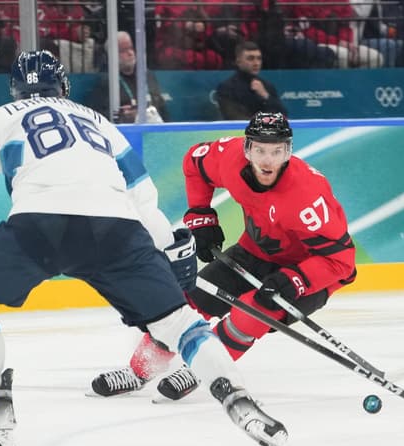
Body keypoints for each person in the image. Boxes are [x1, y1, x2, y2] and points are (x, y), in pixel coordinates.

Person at [0, 50, 290, 446]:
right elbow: (143, 197)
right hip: (118, 229)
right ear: (63, 87)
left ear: (16, 90)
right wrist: (167, 246)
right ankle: (238, 397)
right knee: (180, 321)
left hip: (41, 224)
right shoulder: (100, 122)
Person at [90, 112, 356, 402]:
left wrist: (293, 281)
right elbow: (194, 162)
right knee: (186, 303)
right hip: (254, 252)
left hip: (308, 272)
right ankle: (139, 370)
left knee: (249, 311)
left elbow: (342, 262)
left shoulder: (307, 194)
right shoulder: (230, 159)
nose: (268, 161)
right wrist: (201, 215)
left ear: (288, 152)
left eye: (277, 151)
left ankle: (203, 369)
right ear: (247, 149)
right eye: (260, 150)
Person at [87, 31, 169, 123]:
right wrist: (121, 116)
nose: (130, 53)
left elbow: (162, 108)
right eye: (123, 50)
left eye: (131, 48)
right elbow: (96, 115)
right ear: (112, 55)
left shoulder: (147, 75)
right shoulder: (106, 81)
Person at [215, 42, 286, 120]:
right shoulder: (226, 87)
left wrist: (266, 96)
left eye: (259, 58)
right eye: (250, 58)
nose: (256, 63)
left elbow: (282, 115)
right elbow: (233, 117)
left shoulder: (267, 86)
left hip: (267, 131)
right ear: (238, 62)